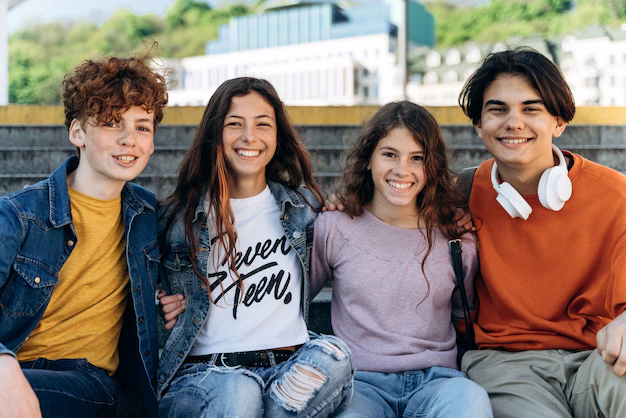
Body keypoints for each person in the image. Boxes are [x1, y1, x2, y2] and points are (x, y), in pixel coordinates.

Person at [156, 77, 354, 418]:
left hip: (287, 369)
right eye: (235, 124)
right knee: (240, 390)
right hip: (206, 376)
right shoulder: (178, 216)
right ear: (214, 133)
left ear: (277, 136)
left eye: (263, 124)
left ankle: (276, 410)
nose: (250, 136)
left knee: (334, 354)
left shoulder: (304, 208)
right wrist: (160, 301)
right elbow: (142, 297)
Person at [457, 47, 626, 417]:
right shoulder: (458, 196)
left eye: (531, 109)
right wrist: (344, 203)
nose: (513, 122)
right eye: (497, 109)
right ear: (478, 125)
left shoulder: (616, 195)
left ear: (559, 122)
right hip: (507, 367)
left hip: (598, 358)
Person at [0, 51, 168, 417]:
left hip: (84, 381)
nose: (129, 139)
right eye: (111, 123)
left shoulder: (151, 217)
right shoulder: (19, 214)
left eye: (142, 126)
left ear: (153, 142)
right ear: (77, 132)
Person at [309, 101, 492, 418]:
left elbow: (466, 312)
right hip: (358, 385)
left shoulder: (457, 238)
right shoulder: (334, 227)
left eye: (417, 158)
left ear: (430, 167)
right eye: (390, 154)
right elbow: (295, 301)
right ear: (369, 158)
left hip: (438, 381)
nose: (402, 169)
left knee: (471, 401)